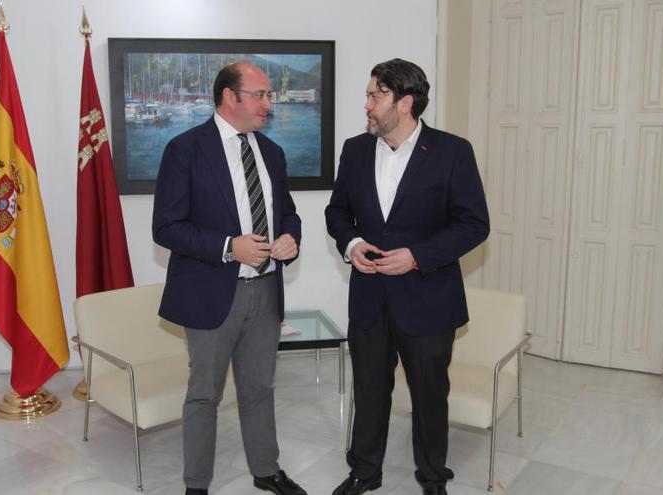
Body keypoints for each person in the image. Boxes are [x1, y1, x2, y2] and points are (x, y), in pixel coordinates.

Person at [325, 58, 490, 495]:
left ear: (405, 102)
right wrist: (352, 245)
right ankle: (365, 471)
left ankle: (432, 476)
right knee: (370, 389)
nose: (367, 104)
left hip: (428, 299)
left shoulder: (453, 151)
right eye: (368, 94)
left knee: (430, 396)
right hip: (369, 298)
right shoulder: (354, 150)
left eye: (375, 95)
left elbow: (474, 224)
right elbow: (337, 211)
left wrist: (417, 256)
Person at [152, 62, 306, 495]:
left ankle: (266, 470)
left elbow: (287, 212)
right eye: (259, 95)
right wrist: (227, 246)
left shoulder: (271, 152)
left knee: (259, 387)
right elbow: (165, 227)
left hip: (265, 290)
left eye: (268, 95)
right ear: (229, 97)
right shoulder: (185, 149)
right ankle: (196, 484)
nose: (268, 104)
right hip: (209, 292)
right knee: (204, 394)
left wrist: (291, 236)